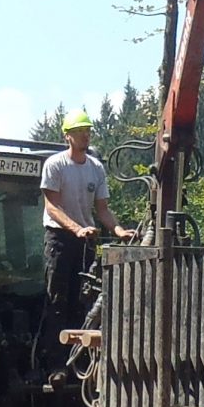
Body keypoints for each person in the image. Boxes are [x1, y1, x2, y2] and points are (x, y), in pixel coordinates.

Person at [40, 110, 129, 334]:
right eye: (79, 131)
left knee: (84, 299)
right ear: (67, 136)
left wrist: (119, 230)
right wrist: (77, 229)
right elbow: (52, 207)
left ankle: (79, 361)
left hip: (86, 240)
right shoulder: (55, 165)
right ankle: (55, 363)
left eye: (88, 131)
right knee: (58, 301)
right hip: (59, 240)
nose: (85, 136)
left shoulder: (96, 168)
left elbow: (103, 209)